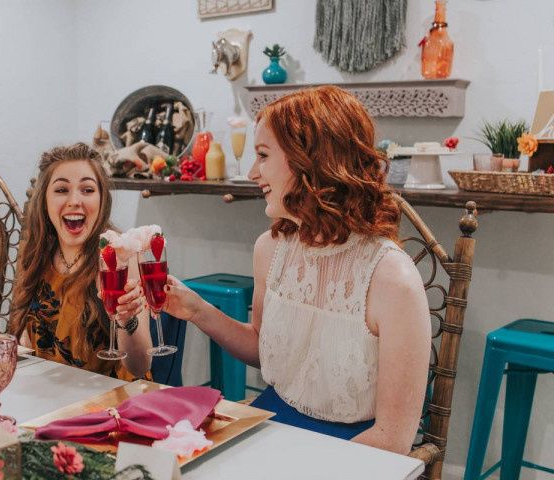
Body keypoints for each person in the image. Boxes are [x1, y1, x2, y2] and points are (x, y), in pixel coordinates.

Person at [162, 86, 431, 455]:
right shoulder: (270, 249)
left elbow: (392, 440)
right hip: (268, 424)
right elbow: (263, 348)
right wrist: (195, 309)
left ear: (310, 161)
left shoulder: (391, 280)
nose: (254, 172)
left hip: (356, 452)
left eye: (263, 155)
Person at [10, 143, 151, 380]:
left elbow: (140, 365)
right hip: (49, 398)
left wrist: (127, 320)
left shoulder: (121, 256)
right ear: (45, 200)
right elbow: (27, 341)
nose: (75, 200)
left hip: (112, 403)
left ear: (102, 199)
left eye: (87, 190)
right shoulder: (35, 253)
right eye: (62, 190)